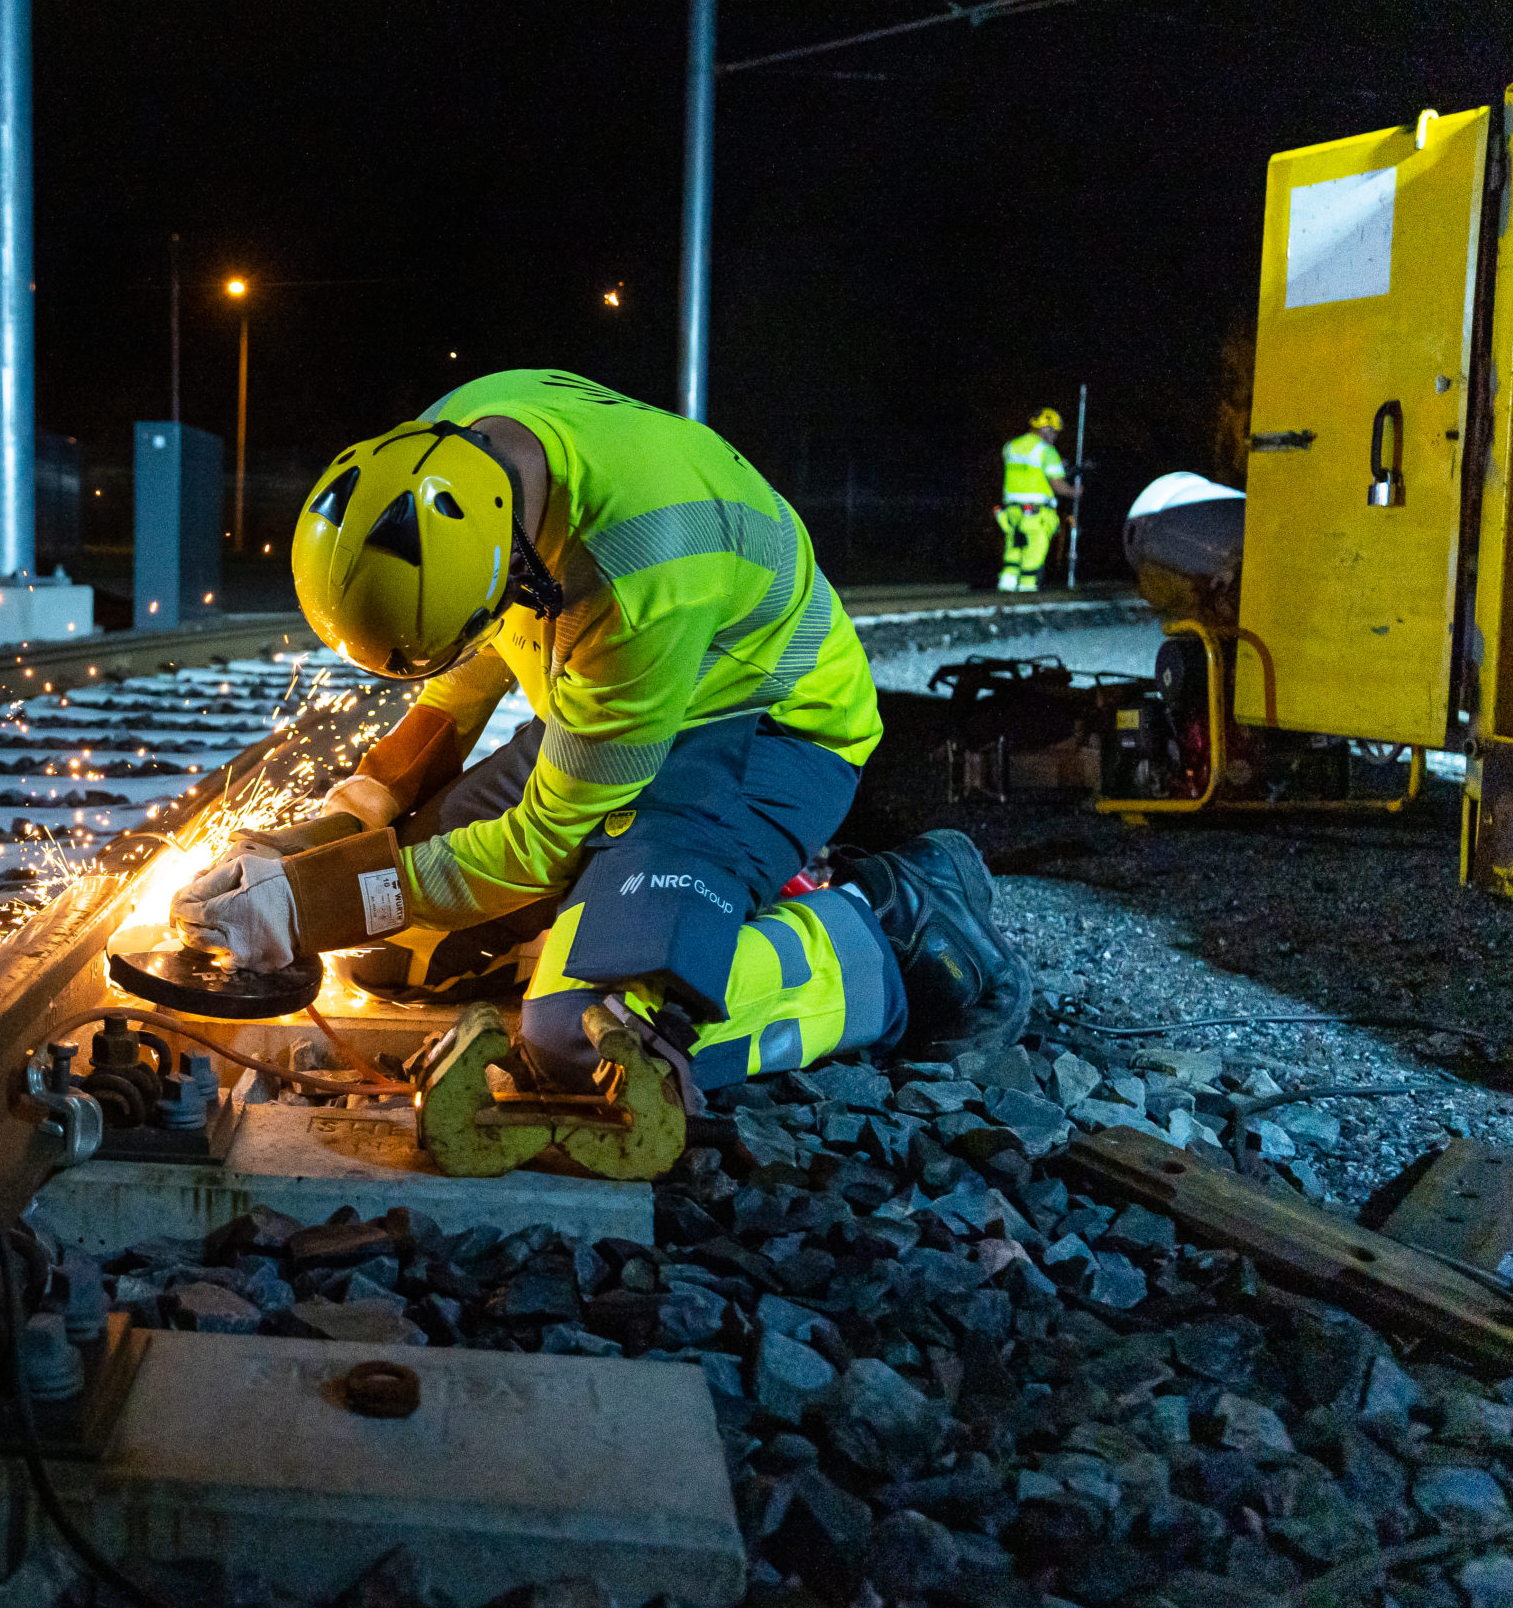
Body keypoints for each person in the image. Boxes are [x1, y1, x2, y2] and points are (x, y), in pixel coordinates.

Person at [173, 370, 1032, 1097]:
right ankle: (610, 916)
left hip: (756, 734)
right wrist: (329, 832)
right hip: (613, 722)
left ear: (513, 565)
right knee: (389, 950)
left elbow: (541, 843)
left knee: (581, 1043)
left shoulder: (640, 567)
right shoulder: (458, 459)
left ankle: (891, 929)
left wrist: (308, 901)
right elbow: (464, 671)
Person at [996, 407, 1081, 592]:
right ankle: (1028, 587)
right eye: (1054, 432)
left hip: (1011, 509)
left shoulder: (1010, 447)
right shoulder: (1047, 452)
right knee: (1035, 547)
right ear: (1045, 429)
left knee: (1015, 545)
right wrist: (1075, 492)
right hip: (1036, 511)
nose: (1055, 436)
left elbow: (1027, 472)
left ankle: (1007, 583)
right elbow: (1057, 485)